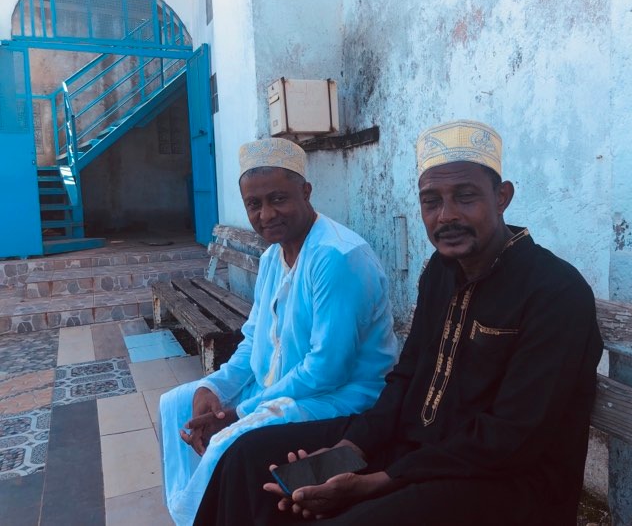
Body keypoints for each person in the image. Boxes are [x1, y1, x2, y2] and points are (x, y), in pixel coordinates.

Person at [194, 120, 604, 526]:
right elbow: (406, 376)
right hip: (416, 450)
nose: (446, 216)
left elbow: (513, 436)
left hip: (503, 482)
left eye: (465, 197)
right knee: (246, 458)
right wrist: (349, 448)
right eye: (431, 201)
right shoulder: (441, 271)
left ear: (502, 197)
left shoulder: (555, 292)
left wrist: (374, 483)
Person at [159, 138, 398, 526]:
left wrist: (239, 412)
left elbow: (327, 370)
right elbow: (254, 339)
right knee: (178, 405)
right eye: (254, 204)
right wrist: (213, 387)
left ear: (306, 192)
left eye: (278, 199)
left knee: (231, 439)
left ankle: (209, 513)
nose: (266, 214)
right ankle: (193, 513)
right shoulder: (273, 256)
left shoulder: (337, 257)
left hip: (341, 397)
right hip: (280, 387)